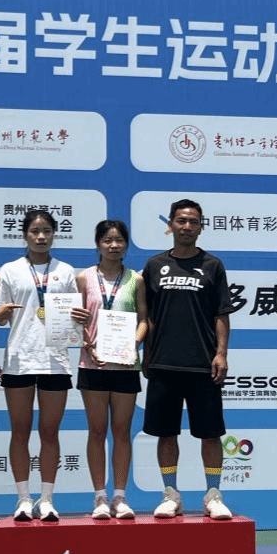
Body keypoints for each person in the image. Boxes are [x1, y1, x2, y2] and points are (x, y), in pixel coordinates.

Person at [0, 209, 89, 522]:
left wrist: (80, 318)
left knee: (50, 432)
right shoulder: (10, 270)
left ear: (54, 234)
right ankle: (23, 498)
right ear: (25, 234)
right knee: (19, 431)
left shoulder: (66, 271)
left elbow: (75, 319)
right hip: (19, 360)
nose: (41, 236)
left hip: (55, 362)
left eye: (46, 230)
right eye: (35, 231)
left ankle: (46, 499)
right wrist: (0, 314)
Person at [141, 199, 234, 520]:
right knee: (166, 433)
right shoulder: (154, 265)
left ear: (201, 227)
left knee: (211, 433)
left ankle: (213, 494)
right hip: (163, 363)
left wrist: (221, 353)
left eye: (193, 222)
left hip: (203, 364)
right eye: (181, 221)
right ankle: (171, 493)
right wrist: (146, 354)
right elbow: (147, 317)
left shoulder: (213, 265)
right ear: (170, 225)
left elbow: (221, 314)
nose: (187, 227)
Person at [76, 220, 148, 520]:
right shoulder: (83, 278)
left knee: (121, 431)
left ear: (126, 245)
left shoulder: (136, 279)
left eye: (119, 240)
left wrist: (134, 342)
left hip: (125, 365)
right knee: (96, 431)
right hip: (92, 363)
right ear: (98, 244)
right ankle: (99, 497)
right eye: (107, 240)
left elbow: (144, 319)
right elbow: (76, 319)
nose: (113, 245)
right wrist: (87, 343)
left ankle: (119, 496)